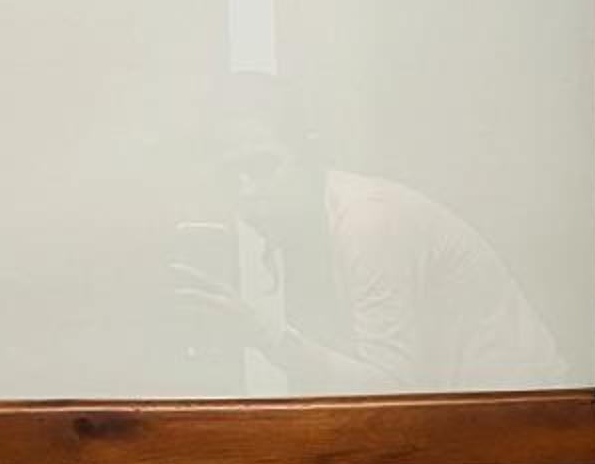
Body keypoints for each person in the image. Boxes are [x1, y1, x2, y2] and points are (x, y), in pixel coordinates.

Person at [174, 72, 571, 395]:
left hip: (524, 422)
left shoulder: (368, 223)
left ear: (308, 155)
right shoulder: (303, 226)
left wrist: (266, 335)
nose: (246, 190)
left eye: (262, 166)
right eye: (231, 174)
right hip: (470, 421)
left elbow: (393, 391)